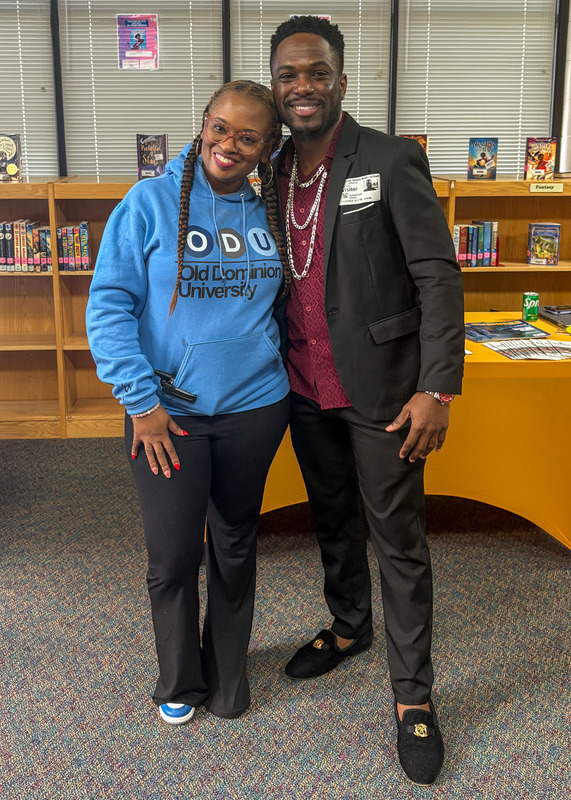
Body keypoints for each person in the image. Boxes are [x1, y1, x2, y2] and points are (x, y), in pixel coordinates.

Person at [269, 16, 464, 786]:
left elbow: (438, 275)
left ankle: (412, 698)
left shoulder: (388, 157)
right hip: (299, 386)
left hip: (383, 390)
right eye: (288, 75)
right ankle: (349, 626)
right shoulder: (270, 167)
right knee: (331, 520)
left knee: (399, 541)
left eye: (316, 72)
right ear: (275, 86)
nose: (302, 86)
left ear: (341, 81)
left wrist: (436, 385)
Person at [86, 80, 290, 724]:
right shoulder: (146, 203)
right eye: (220, 128)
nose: (229, 144)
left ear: (266, 147)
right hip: (166, 416)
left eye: (248, 136)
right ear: (203, 126)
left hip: (256, 408)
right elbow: (109, 306)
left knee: (234, 543)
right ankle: (179, 679)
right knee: (173, 554)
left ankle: (228, 675)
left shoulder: (272, 214)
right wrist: (142, 403)